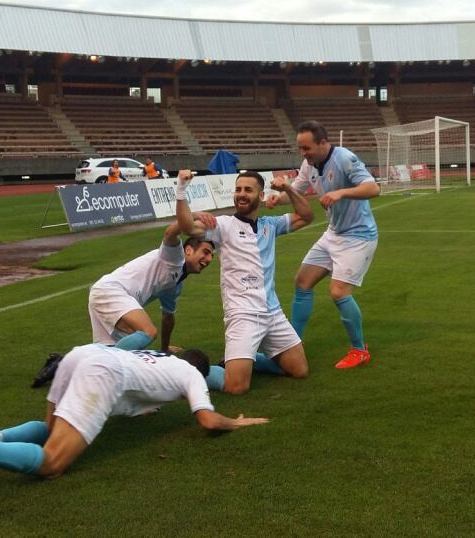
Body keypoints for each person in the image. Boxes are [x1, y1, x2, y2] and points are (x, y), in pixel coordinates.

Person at [0, 344, 268, 502]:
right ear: (201, 371)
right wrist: (235, 423)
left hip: (84, 354)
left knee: (51, 430)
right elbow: (208, 420)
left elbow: (144, 390)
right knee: (53, 462)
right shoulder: (191, 375)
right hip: (104, 374)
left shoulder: (161, 359)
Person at [175, 170, 314, 395]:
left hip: (272, 312)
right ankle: (184, 372)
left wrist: (288, 188)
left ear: (260, 196)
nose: (241, 194)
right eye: (238, 189)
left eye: (248, 190)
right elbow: (187, 227)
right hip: (243, 314)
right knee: (237, 386)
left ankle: (250, 360)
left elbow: (306, 216)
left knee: (299, 370)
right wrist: (181, 188)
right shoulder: (223, 225)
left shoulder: (271, 224)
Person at [266, 120, 380, 369]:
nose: (303, 154)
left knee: (338, 292)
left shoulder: (345, 158)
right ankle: (292, 342)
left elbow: (373, 188)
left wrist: (341, 192)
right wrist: (278, 198)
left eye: (306, 148)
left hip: (358, 236)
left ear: (323, 143)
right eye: (300, 149)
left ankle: (360, 350)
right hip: (334, 234)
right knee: (302, 282)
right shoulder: (309, 164)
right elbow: (296, 192)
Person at [88, 220, 214, 352]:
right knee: (147, 332)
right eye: (205, 252)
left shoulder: (175, 285)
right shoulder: (174, 256)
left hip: (104, 293)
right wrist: (191, 218)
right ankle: (108, 365)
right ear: (188, 250)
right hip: (111, 291)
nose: (209, 259)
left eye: (211, 255)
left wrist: (165, 348)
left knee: (114, 347)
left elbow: (168, 317)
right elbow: (170, 232)